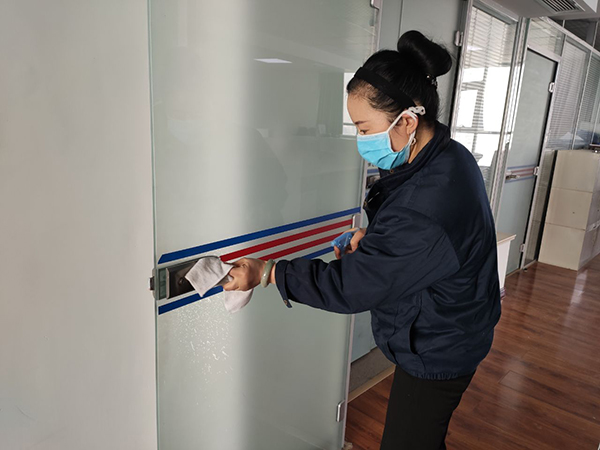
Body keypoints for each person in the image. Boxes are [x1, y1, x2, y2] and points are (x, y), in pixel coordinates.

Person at [223, 30, 501, 450]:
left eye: (363, 128)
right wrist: (378, 237)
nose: (359, 140)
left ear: (407, 121)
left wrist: (268, 273)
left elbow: (353, 287)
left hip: (440, 343)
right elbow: (427, 240)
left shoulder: (427, 204)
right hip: (451, 322)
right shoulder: (446, 155)